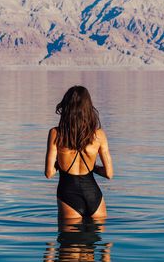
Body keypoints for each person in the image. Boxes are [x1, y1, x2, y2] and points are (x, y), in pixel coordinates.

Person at [44, 86, 113, 221]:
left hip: (68, 194)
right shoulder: (99, 135)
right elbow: (109, 174)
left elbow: (49, 173)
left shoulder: (55, 134)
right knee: (96, 239)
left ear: (66, 107)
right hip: (94, 196)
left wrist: (60, 164)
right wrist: (93, 167)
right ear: (88, 108)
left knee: (69, 241)